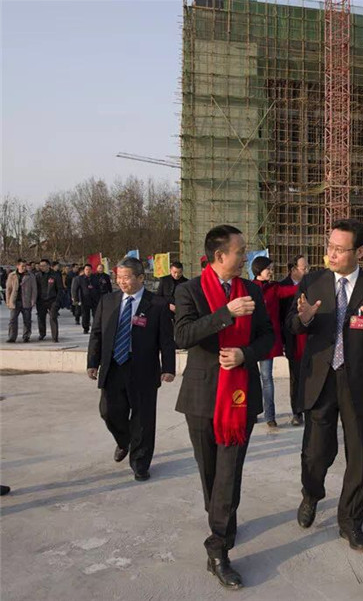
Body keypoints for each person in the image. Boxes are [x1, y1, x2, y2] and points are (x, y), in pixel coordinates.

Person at [287, 218, 363, 551]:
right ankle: (311, 494)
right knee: (315, 453)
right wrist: (303, 319)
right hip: (320, 380)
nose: (332, 254)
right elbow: (291, 324)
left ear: (359, 251)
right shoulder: (313, 282)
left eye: (340, 249)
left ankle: (351, 520)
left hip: (357, 382)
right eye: (330, 247)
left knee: (358, 457)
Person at [174, 225, 274, 589]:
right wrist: (225, 314)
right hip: (202, 396)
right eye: (240, 250)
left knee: (229, 473)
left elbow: (268, 336)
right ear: (219, 256)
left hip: (240, 396)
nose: (245, 256)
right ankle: (222, 519)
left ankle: (217, 549)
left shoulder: (252, 290)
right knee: (211, 473)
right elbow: (183, 336)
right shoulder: (189, 290)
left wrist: (245, 354)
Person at [87, 257, 176, 481]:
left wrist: (168, 367)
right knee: (108, 411)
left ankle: (140, 463)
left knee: (143, 419)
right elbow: (96, 333)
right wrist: (92, 362)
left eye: (126, 277)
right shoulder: (108, 301)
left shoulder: (157, 304)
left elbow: (166, 340)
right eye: (119, 277)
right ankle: (124, 440)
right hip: (113, 366)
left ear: (141, 278)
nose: (121, 282)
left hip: (143, 369)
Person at [250, 256, 297, 428]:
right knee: (250, 379)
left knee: (267, 378)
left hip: (266, 341)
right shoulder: (248, 287)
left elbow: (291, 291)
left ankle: (270, 415)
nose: (271, 271)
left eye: (271, 268)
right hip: (249, 340)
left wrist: (309, 283)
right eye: (268, 269)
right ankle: (252, 412)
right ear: (258, 270)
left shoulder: (274, 288)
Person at [279, 254, 310, 426]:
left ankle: (310, 409)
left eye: (308, 268)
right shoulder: (282, 287)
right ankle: (297, 412)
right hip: (293, 339)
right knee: (296, 379)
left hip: (310, 339)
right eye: (304, 268)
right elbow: (279, 316)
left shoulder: (312, 285)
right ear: (293, 270)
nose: (307, 271)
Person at [5, 258, 38, 343]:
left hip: (26, 301)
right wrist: (8, 301)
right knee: (12, 320)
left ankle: (26, 336)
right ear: (17, 266)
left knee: (27, 320)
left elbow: (34, 289)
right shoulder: (12, 275)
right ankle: (12, 337)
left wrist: (33, 300)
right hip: (15, 301)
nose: (24, 267)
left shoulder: (30, 276)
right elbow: (8, 289)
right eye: (22, 266)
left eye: (25, 266)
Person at [35, 258, 63, 342]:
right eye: (40, 266)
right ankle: (42, 334)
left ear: (48, 266)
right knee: (41, 317)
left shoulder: (55, 275)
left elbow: (60, 289)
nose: (42, 267)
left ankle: (55, 337)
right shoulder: (37, 276)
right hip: (41, 300)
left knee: (53, 317)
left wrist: (57, 301)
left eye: (43, 266)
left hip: (52, 300)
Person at [77, 263, 101, 333]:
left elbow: (99, 288)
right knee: (85, 315)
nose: (88, 271)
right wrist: (76, 299)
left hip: (95, 299)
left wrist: (100, 298)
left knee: (96, 315)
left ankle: (96, 328)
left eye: (89, 269)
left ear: (92, 270)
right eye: (86, 269)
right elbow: (75, 289)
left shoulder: (95, 278)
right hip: (84, 300)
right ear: (84, 270)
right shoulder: (80, 278)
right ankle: (86, 328)